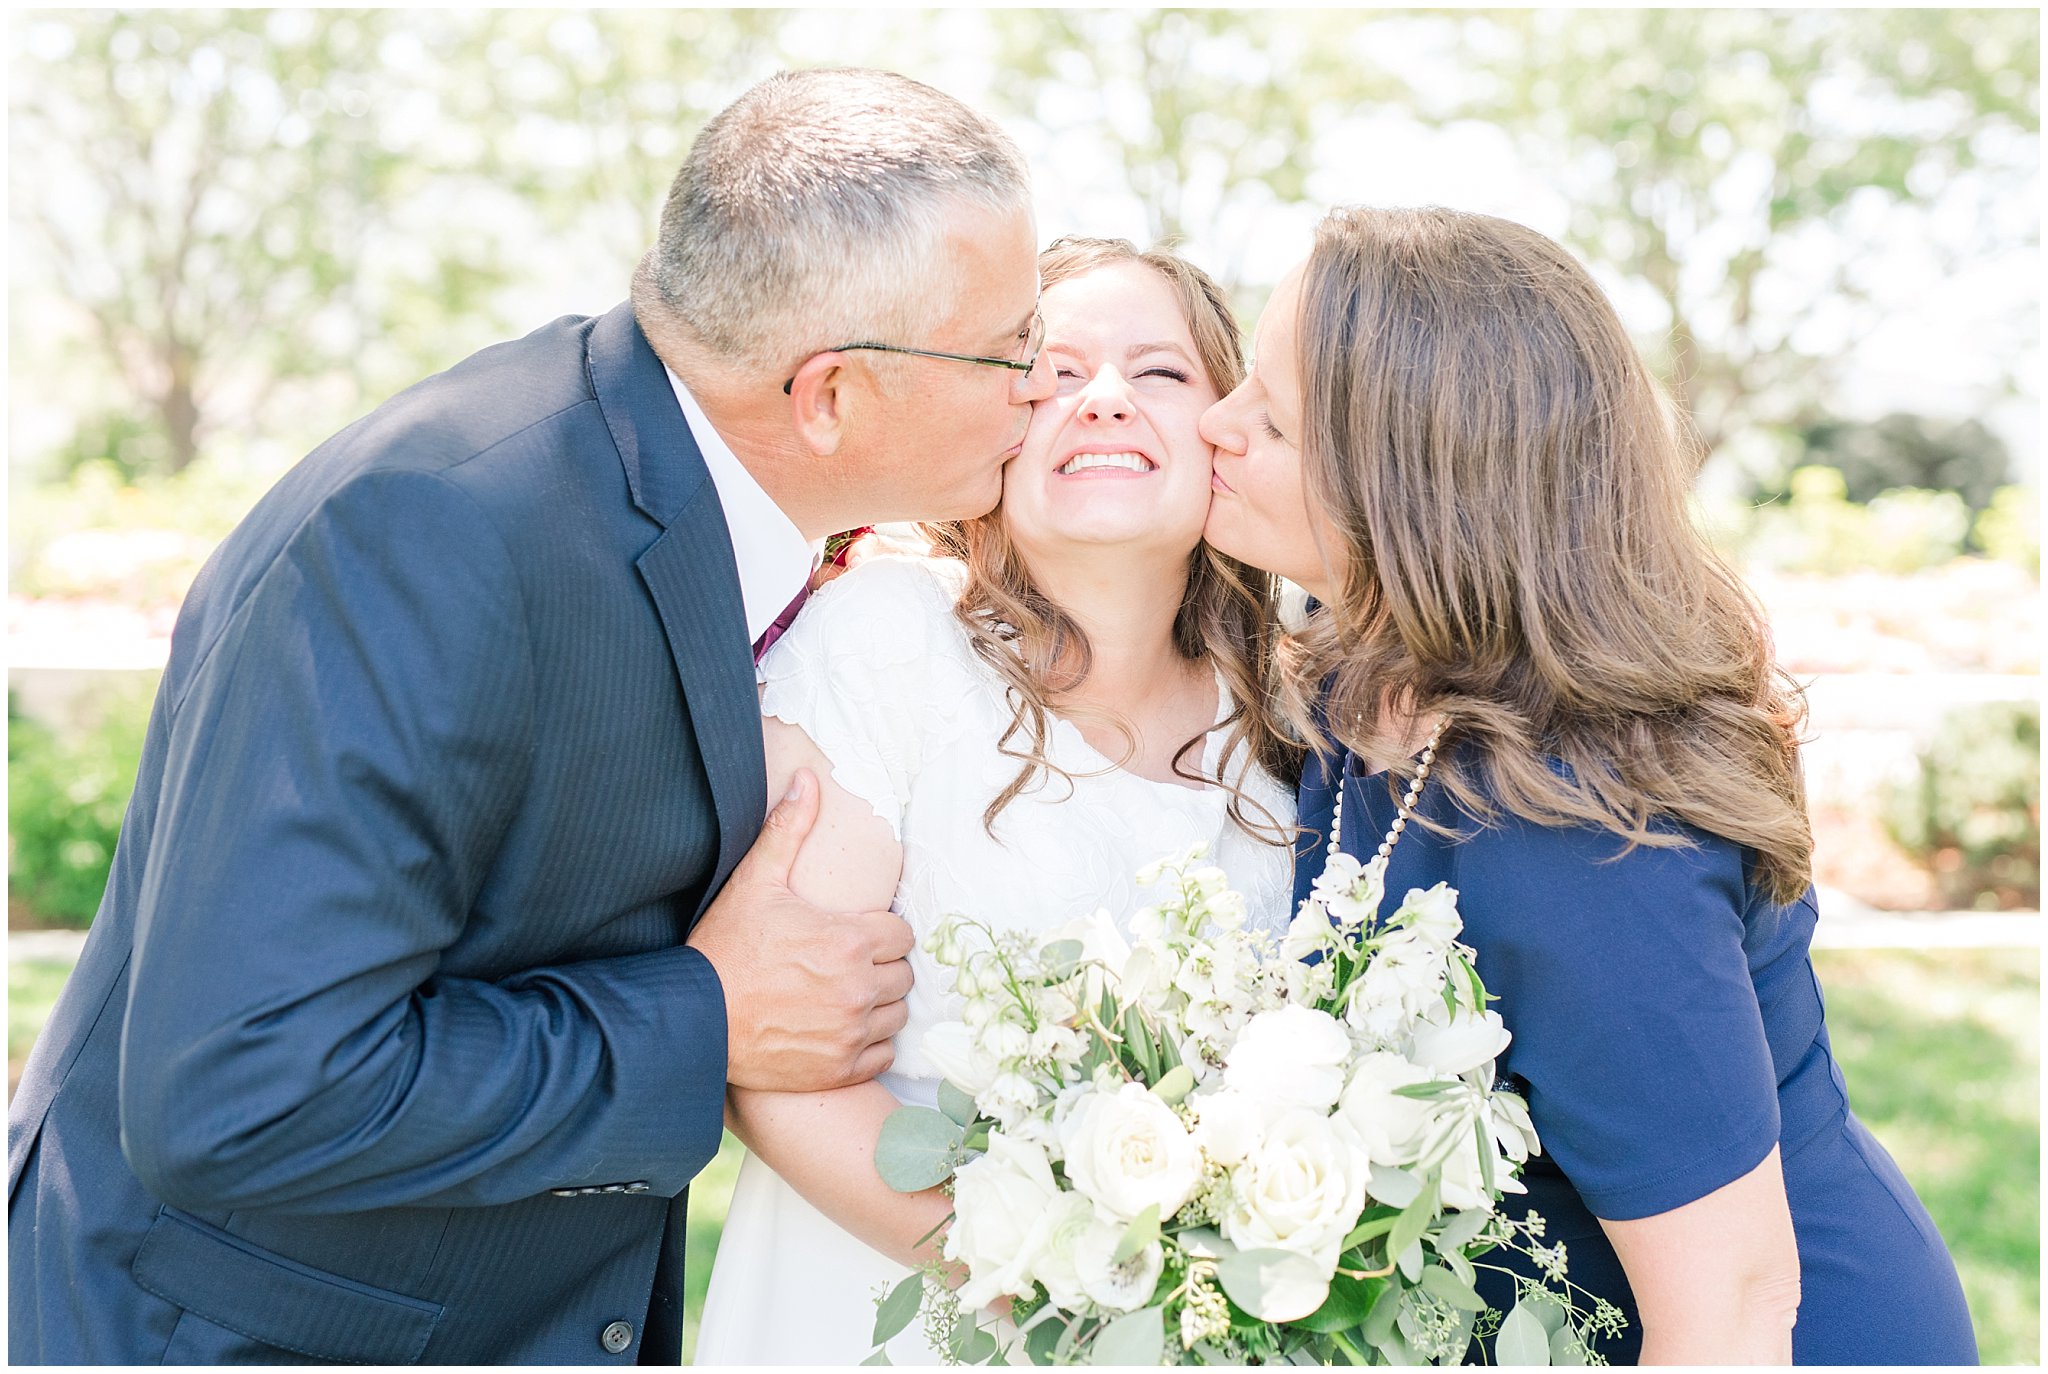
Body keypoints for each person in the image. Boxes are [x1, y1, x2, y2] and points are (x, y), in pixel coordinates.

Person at [7, 69, 1054, 1364]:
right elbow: (245, 1086)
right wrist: (704, 1019)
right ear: (829, 394)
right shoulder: (430, 539)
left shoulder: (673, 483)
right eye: (1013, 346)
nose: (1040, 386)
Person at [1200, 204, 1978, 1365]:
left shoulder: (1571, 838)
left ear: (1411, 491)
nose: (1210, 425)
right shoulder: (1358, 671)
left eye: (1264, 416)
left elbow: (1728, 1311)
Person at [694, 237, 1302, 1364]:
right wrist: (1086, 1292)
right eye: (1056, 372)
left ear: (1228, 426)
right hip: (889, 1317)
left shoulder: (1295, 720)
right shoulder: (885, 643)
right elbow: (773, 1068)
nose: (1106, 401)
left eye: (1160, 372)